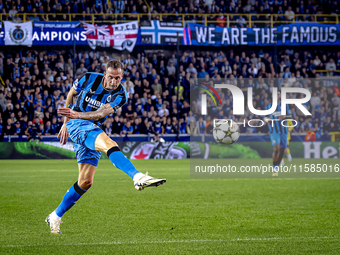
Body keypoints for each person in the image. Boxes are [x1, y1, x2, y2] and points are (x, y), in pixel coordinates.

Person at [45, 60, 166, 234]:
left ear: (122, 77)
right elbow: (72, 93)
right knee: (110, 144)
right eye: (111, 77)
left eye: (118, 78)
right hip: (77, 124)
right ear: (105, 73)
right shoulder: (88, 79)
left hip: (90, 125)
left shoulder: (121, 95)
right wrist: (66, 122)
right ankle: (137, 176)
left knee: (85, 182)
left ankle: (55, 216)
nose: (114, 81)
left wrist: (76, 114)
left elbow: (102, 113)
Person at [264, 94, 290, 177]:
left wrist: (284, 117)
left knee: (282, 149)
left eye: (278, 94)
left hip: (283, 131)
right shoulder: (269, 106)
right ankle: (274, 168)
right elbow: (264, 117)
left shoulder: (284, 105)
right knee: (276, 148)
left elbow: (290, 116)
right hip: (274, 131)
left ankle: (277, 166)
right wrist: (268, 120)